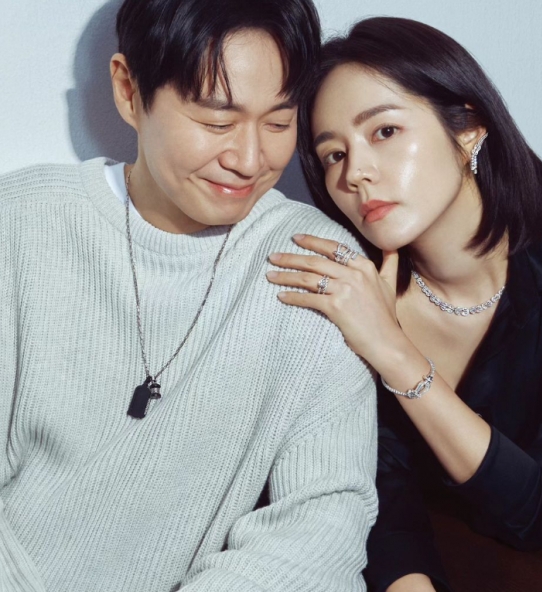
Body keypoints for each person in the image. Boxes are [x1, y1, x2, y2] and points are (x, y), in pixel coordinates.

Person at [0, 1, 379, 590]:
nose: (249, 161)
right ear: (129, 91)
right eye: (216, 121)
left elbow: (323, 523)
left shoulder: (316, 263)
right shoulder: (21, 222)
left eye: (279, 123)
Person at [266, 16, 542, 592]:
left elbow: (541, 512)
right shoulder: (352, 291)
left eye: (384, 131)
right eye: (333, 155)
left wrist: (395, 354)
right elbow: (374, 492)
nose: (356, 174)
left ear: (468, 129)